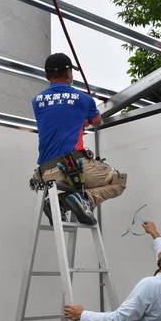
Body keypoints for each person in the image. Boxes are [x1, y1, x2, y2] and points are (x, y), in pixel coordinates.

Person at [30, 53, 127, 225]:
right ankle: (86, 199)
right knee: (119, 180)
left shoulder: (36, 101)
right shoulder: (84, 99)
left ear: (47, 76)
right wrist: (85, 120)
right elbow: (97, 121)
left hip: (45, 171)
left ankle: (59, 203)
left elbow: (57, 118)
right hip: (72, 167)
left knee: (76, 191)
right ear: (68, 73)